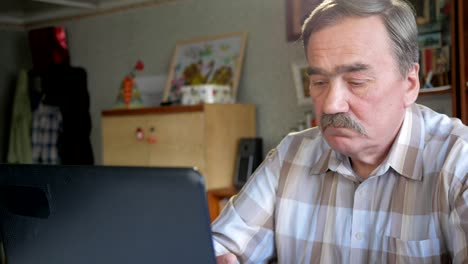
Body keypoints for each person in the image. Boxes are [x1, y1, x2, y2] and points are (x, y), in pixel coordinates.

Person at [212, 0, 468, 263]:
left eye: (356, 82)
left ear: (410, 84)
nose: (331, 104)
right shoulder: (291, 156)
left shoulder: (459, 162)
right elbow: (217, 245)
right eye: (319, 82)